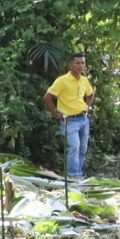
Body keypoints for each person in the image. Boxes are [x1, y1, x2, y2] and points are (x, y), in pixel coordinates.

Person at [44, 53, 95, 185]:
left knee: (82, 148)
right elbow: (47, 97)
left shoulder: (84, 80)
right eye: (77, 63)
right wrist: (55, 113)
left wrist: (87, 106)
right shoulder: (62, 80)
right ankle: (72, 177)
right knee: (74, 147)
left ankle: (78, 176)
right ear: (71, 64)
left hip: (84, 119)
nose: (80, 66)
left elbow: (90, 94)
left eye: (82, 63)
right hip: (69, 121)